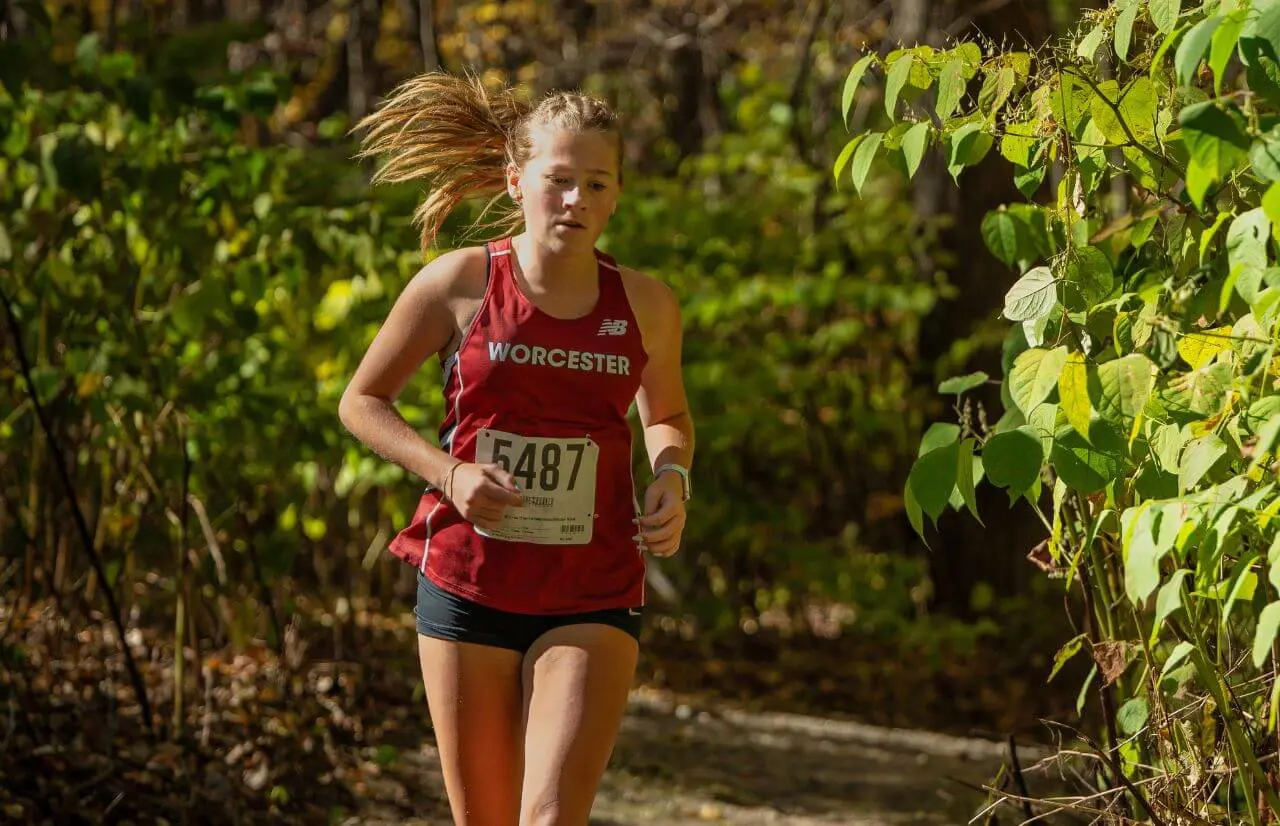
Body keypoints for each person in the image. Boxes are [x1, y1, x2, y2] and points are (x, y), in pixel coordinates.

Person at [337, 71, 695, 826]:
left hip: (592, 584)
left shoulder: (647, 304)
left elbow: (668, 416)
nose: (577, 202)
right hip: (468, 582)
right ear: (516, 180)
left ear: (618, 193)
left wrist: (672, 474)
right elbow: (361, 403)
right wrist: (451, 474)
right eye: (559, 180)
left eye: (597, 184)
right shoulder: (460, 283)